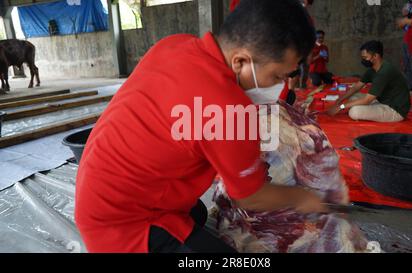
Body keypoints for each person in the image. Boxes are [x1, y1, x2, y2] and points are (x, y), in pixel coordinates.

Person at [75, 0, 327, 253]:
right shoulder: (229, 109)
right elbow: (250, 196)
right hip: (123, 226)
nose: (279, 85)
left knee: (197, 213)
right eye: (276, 76)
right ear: (240, 61)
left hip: (96, 195)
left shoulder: (174, 44)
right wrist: (302, 197)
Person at [327, 41, 411, 123]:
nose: (363, 60)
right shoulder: (373, 70)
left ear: (375, 56)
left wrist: (341, 106)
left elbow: (367, 100)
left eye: (365, 57)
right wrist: (339, 100)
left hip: (395, 110)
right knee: (353, 97)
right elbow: (356, 87)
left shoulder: (384, 72)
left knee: (354, 112)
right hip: (382, 101)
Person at [400, 1, 412, 96]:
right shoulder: (409, 4)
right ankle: (410, 88)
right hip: (407, 37)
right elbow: (404, 13)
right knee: (406, 64)